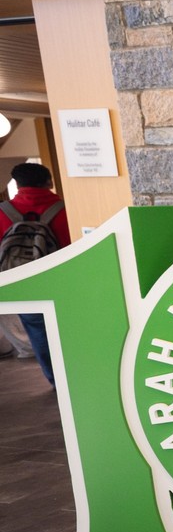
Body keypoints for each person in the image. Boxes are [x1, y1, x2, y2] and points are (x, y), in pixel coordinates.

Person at [0, 162, 69, 386]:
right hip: (61, 277)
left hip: (23, 280)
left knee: (37, 328)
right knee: (68, 325)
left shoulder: (3, 213)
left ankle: (54, 379)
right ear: (48, 182)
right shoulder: (64, 208)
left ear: (17, 184)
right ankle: (75, 373)